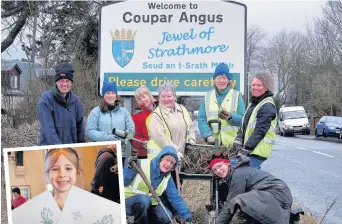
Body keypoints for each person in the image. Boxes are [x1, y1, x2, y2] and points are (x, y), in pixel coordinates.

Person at [209, 153, 292, 224]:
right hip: (275, 193)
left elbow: (230, 204)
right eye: (215, 170)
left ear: (227, 163)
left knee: (238, 200)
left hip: (276, 193)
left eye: (219, 166)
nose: (218, 171)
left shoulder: (238, 174)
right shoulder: (235, 173)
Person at [124, 146, 192, 224]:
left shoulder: (167, 177)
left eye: (172, 163)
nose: (168, 164)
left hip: (150, 203)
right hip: (129, 201)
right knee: (144, 200)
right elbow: (123, 182)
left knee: (167, 217)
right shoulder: (140, 164)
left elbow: (175, 198)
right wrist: (129, 169)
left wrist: (186, 216)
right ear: (160, 159)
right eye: (167, 160)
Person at [232, 71, 277, 169]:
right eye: (253, 85)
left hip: (257, 151)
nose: (255, 88)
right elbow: (245, 125)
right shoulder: (254, 103)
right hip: (251, 150)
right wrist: (239, 139)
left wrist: (246, 148)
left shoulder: (267, 105)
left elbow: (260, 131)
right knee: (249, 179)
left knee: (240, 174)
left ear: (266, 87)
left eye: (259, 85)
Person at [86, 81, 135, 162]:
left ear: (116, 95)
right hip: (102, 154)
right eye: (107, 93)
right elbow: (89, 131)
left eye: (113, 93)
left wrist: (123, 136)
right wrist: (107, 138)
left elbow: (131, 130)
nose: (110, 96)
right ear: (103, 95)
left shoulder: (124, 112)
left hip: (120, 154)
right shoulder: (95, 112)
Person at [198, 63, 245, 146]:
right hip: (212, 145)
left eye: (224, 78)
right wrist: (207, 135)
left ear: (228, 80)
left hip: (232, 145)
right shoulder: (207, 96)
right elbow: (201, 118)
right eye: (218, 78)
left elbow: (243, 119)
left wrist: (230, 117)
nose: (221, 81)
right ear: (214, 80)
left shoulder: (237, 96)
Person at [37, 63, 85, 145]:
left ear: (71, 83)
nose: (65, 84)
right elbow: (48, 129)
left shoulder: (75, 101)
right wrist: (60, 149)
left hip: (70, 151)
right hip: (51, 151)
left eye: (68, 81)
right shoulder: (46, 100)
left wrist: (82, 147)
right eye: (62, 81)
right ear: (56, 82)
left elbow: (80, 129)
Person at [146, 83, 196, 159]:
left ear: (175, 97)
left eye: (169, 96)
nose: (166, 99)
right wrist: (174, 151)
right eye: (163, 96)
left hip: (181, 156)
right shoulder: (156, 115)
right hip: (163, 158)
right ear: (159, 98)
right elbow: (161, 138)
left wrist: (191, 139)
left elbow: (190, 127)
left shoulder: (182, 109)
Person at [131, 86, 157, 158]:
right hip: (144, 155)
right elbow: (133, 139)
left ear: (149, 95)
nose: (143, 100)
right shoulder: (136, 116)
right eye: (139, 99)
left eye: (144, 96)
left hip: (163, 153)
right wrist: (144, 143)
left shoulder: (161, 109)